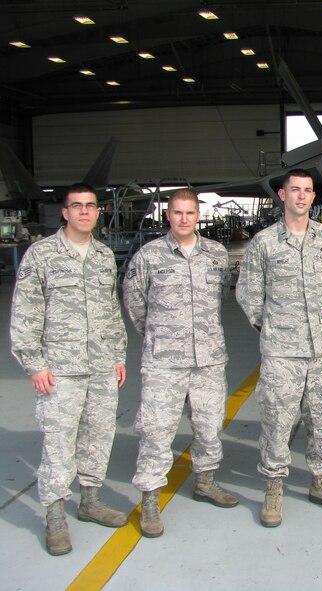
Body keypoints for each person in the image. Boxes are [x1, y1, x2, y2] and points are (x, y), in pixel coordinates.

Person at [10, 183, 128, 556]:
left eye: (90, 206)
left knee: (98, 436)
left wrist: (118, 354)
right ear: (65, 212)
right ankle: (55, 515)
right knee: (58, 443)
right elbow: (25, 311)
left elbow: (112, 309)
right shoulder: (42, 254)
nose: (84, 211)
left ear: (98, 212)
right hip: (60, 368)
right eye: (76, 206)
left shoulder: (104, 255)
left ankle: (90, 501)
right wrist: (34, 363)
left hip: (101, 365)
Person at [236, 169, 322, 527]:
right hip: (282, 353)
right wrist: (272, 327)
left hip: (321, 351)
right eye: (295, 190)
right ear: (282, 195)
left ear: (313, 196)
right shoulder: (265, 242)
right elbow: (249, 294)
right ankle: (273, 487)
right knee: (277, 420)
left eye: (307, 190)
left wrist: (315, 323)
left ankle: (321, 482)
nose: (301, 196)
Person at [123, 189, 238, 539]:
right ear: (168, 215)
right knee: (156, 429)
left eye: (190, 213)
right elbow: (134, 302)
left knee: (209, 424)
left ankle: (205, 481)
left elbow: (221, 295)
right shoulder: (149, 255)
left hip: (208, 358)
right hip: (164, 362)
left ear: (198, 216)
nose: (184, 219)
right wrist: (159, 336)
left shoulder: (216, 254)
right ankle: (150, 499)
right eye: (177, 212)